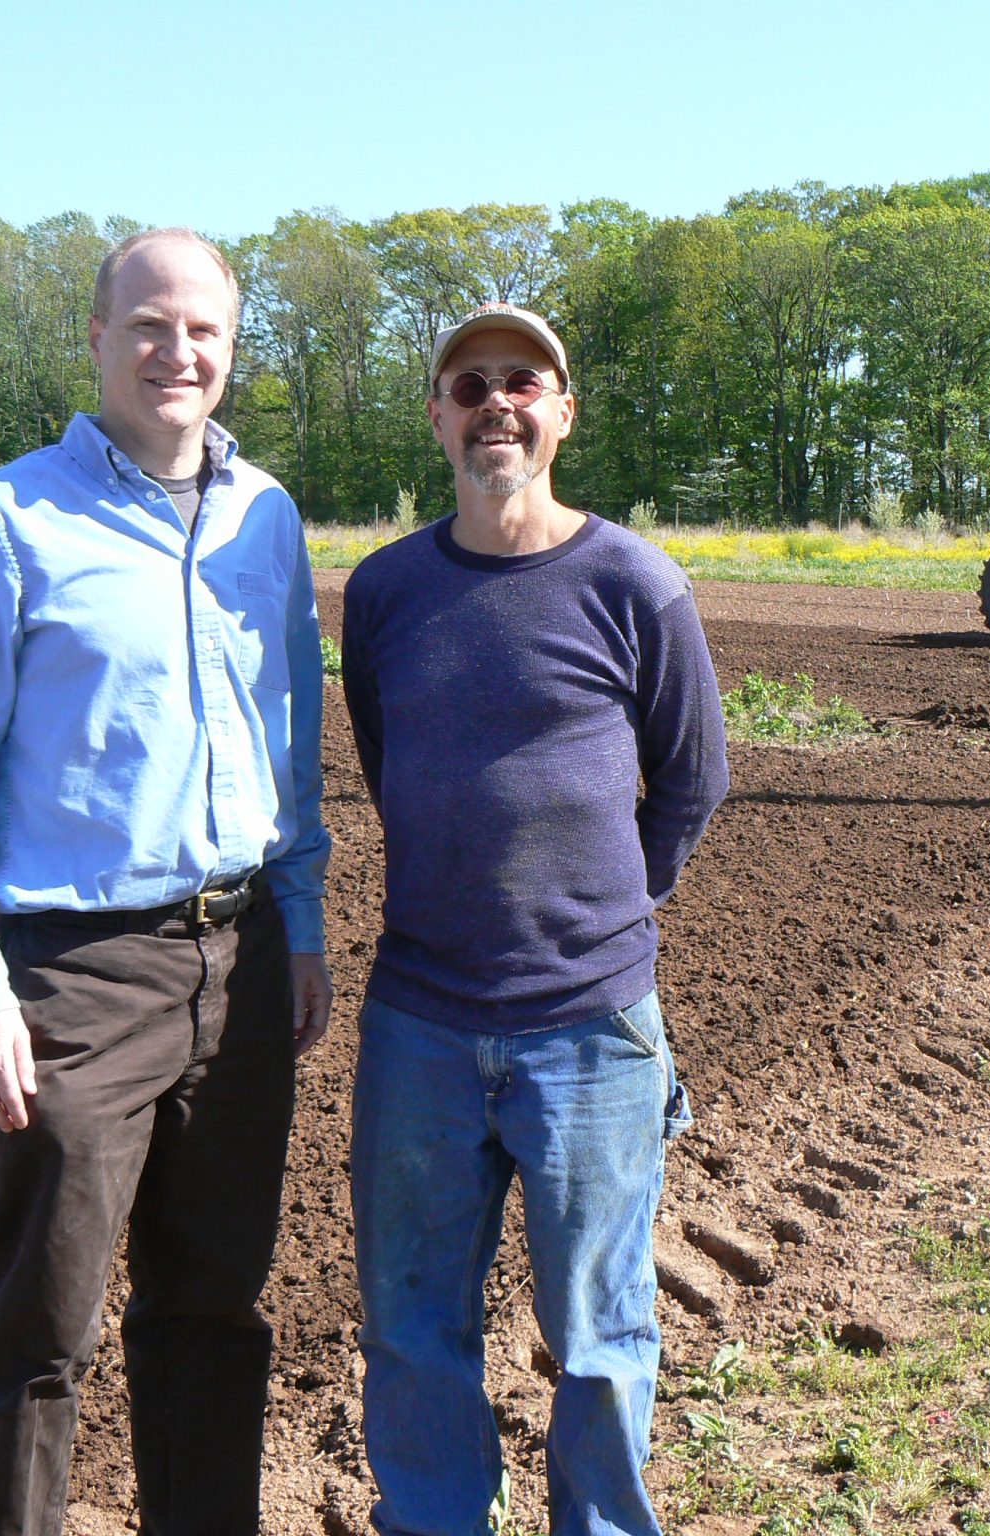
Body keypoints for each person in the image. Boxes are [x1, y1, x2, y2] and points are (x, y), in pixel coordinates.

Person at [0, 227, 333, 1536]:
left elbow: (287, 751)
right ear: (97, 338)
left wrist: (299, 924)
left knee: (213, 1306)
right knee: (42, 1325)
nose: (175, 351)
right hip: (79, 978)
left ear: (232, 349)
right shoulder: (11, 517)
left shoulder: (269, 517)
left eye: (202, 329)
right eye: (148, 324)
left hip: (240, 968)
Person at [340, 302, 729, 1536]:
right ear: (437, 415)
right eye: (468, 384)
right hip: (419, 1026)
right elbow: (384, 758)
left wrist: (612, 916)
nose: (494, 403)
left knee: (601, 1333)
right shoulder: (388, 591)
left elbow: (692, 777)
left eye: (522, 381)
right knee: (411, 1330)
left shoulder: (632, 582)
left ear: (563, 410)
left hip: (591, 1032)